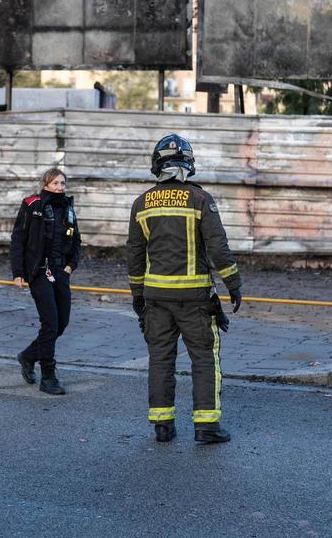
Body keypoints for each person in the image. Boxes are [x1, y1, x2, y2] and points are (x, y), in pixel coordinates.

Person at [126, 133, 241, 444]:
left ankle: (162, 426)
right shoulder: (200, 199)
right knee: (204, 359)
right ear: (188, 164)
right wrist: (234, 284)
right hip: (195, 300)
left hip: (156, 298)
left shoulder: (142, 203)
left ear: (157, 164)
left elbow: (134, 254)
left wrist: (137, 295)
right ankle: (206, 427)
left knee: (160, 359)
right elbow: (218, 247)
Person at [11, 167, 82, 396]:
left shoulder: (68, 207)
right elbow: (18, 239)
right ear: (45, 185)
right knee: (50, 323)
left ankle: (28, 356)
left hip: (61, 271)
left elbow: (77, 240)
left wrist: (71, 265)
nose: (60, 187)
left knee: (61, 323)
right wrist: (18, 272)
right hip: (40, 272)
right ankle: (48, 377)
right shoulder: (32, 204)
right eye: (55, 183)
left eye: (62, 183)